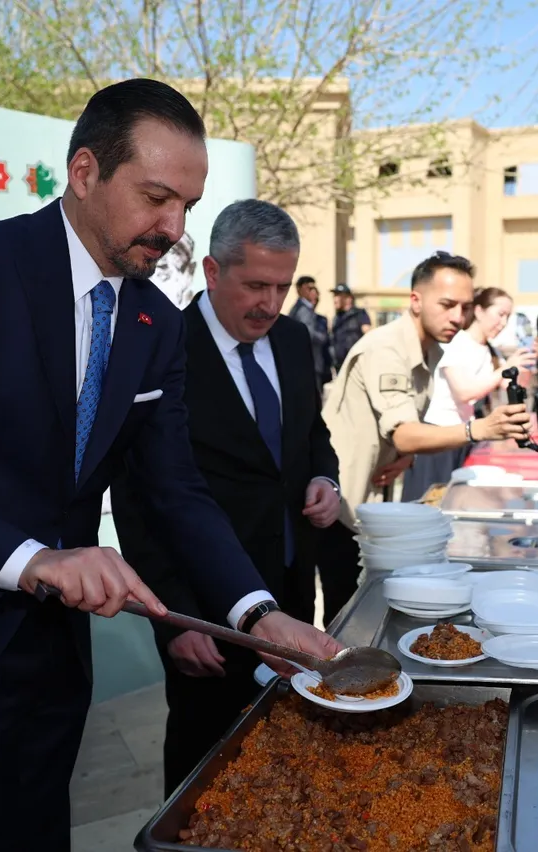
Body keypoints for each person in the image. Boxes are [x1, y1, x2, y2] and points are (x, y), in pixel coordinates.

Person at [0, 79, 341, 852]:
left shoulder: (153, 322)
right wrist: (30, 560)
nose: (174, 228)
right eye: (155, 198)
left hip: (60, 667)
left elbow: (174, 487)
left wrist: (256, 614)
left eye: (188, 206)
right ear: (83, 172)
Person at [109, 199, 341, 796]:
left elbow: (311, 433)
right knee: (205, 762)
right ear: (213, 272)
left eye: (283, 287)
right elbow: (141, 498)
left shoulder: (292, 340)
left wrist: (325, 479)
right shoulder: (167, 343)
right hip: (205, 611)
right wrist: (173, 621)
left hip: (290, 585)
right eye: (255, 285)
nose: (270, 303)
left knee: (286, 749)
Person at [319, 252, 532, 618]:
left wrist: (405, 456)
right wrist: (479, 428)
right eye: (447, 304)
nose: (457, 317)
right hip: (339, 505)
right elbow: (403, 432)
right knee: (349, 618)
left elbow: (400, 433)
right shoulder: (386, 348)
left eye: (464, 307)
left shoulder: (430, 347)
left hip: (374, 501)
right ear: (415, 301)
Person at [401, 287, 536, 500]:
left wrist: (525, 365)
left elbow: (509, 384)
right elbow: (464, 392)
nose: (502, 323)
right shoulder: (457, 343)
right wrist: (505, 368)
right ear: (480, 311)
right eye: (500, 314)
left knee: (450, 501)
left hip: (463, 435)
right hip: (438, 435)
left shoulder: (491, 349)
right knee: (427, 500)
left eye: (508, 317)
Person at [289, 274, 332, 388]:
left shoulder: (301, 308)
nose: (313, 292)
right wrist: (324, 337)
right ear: (300, 290)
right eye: (309, 288)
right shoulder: (303, 310)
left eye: (314, 288)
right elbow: (307, 333)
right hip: (309, 362)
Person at [330, 283, 371, 373]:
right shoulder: (337, 318)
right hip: (339, 367)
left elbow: (369, 337)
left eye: (338, 295)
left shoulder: (360, 314)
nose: (334, 299)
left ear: (348, 298)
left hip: (356, 366)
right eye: (335, 295)